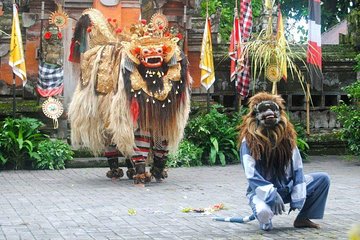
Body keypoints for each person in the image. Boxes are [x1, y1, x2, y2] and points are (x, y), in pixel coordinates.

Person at [237, 92, 330, 231]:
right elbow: (251, 175)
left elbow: (297, 168)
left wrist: (298, 195)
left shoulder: (287, 138)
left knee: (323, 179)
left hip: (287, 187)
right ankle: (265, 219)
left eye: (272, 109)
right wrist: (270, 194)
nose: (269, 113)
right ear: (255, 116)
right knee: (264, 213)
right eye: (263, 110)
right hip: (261, 193)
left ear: (280, 114)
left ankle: (303, 218)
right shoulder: (249, 141)